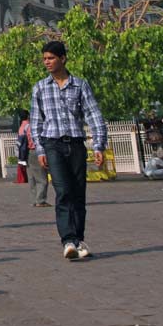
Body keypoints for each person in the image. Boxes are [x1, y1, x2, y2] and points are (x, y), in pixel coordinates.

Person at [29, 39, 108, 261]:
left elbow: (93, 114)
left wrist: (99, 144)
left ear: (63, 59)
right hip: (52, 144)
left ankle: (78, 238)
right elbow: (36, 122)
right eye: (44, 59)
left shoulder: (80, 85)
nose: (47, 62)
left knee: (78, 193)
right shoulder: (40, 88)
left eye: (51, 58)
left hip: (75, 144)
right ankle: (68, 240)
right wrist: (41, 150)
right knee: (62, 192)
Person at [18, 116, 49, 207]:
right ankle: (41, 200)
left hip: (27, 153)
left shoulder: (25, 126)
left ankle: (34, 200)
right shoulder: (37, 127)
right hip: (37, 151)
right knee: (42, 178)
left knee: (32, 178)